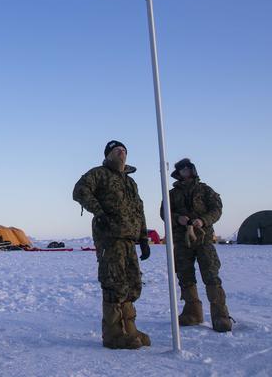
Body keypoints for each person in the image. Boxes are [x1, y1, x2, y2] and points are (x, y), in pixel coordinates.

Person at [72, 140, 151, 350]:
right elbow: (79, 190)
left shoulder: (130, 182)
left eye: (124, 150)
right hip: (110, 238)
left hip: (129, 239)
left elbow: (138, 209)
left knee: (132, 283)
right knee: (113, 283)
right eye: (117, 151)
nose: (121, 153)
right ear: (108, 155)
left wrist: (143, 237)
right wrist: (100, 212)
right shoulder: (99, 173)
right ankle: (113, 334)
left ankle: (129, 329)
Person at [165, 158, 232, 332]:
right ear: (178, 173)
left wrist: (203, 221)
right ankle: (192, 313)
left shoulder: (205, 190)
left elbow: (217, 209)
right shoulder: (171, 194)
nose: (185, 171)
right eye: (182, 169)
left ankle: (220, 316)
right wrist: (177, 218)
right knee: (185, 276)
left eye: (188, 168)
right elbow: (164, 212)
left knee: (211, 275)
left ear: (193, 170)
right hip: (181, 240)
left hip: (203, 239)